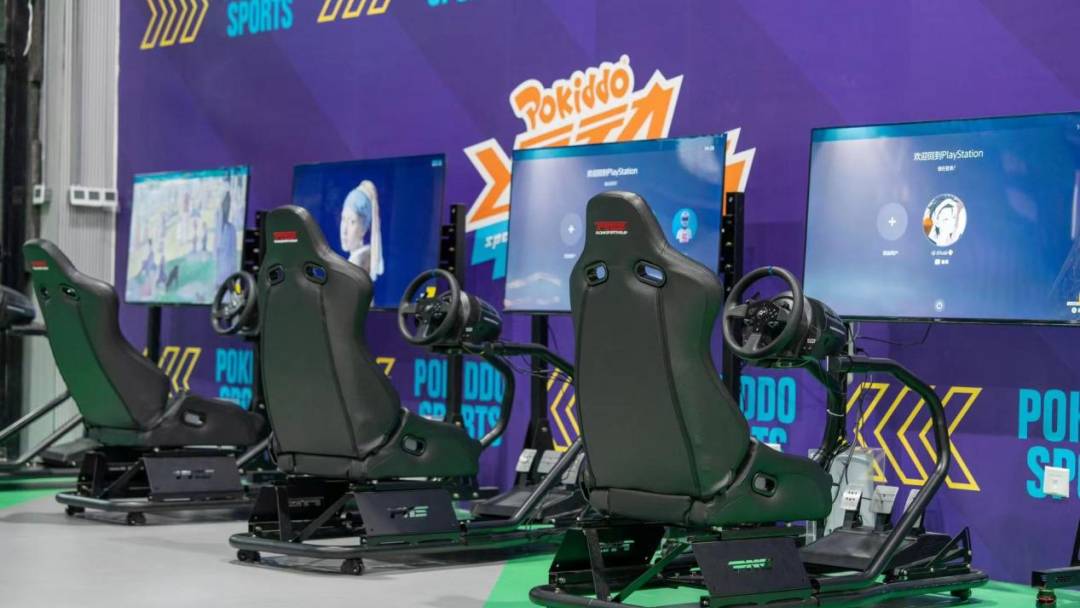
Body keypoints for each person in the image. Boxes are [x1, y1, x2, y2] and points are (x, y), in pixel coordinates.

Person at [339, 180, 384, 281]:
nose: (344, 231)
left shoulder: (360, 264)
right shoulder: (352, 261)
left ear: (364, 228)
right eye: (343, 219)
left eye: (352, 222)